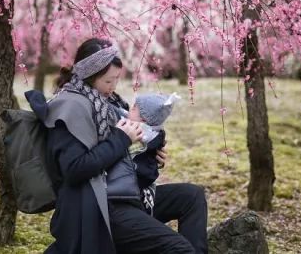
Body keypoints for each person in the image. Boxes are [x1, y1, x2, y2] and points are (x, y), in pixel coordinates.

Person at [41, 38, 208, 254]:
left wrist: (146, 156)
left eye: (117, 80)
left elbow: (121, 160)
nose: (113, 88)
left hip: (127, 196)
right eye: (108, 82)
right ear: (90, 76)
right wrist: (122, 139)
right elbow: (75, 170)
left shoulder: (109, 104)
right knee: (179, 248)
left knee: (191, 196)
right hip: (100, 208)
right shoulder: (70, 107)